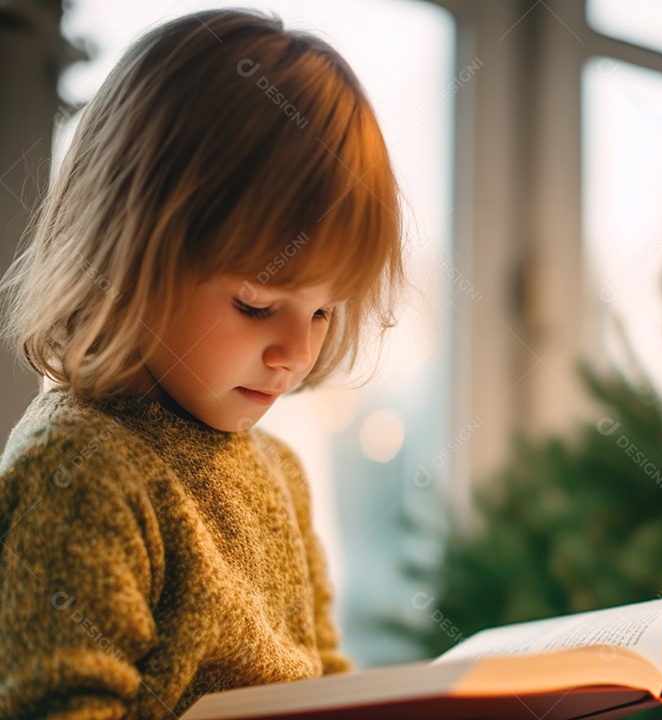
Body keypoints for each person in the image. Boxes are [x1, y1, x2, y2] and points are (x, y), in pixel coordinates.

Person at [0, 8, 405, 718]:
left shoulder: (280, 473)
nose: (298, 354)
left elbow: (330, 684)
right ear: (126, 256)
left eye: (322, 311)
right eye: (256, 304)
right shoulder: (80, 472)